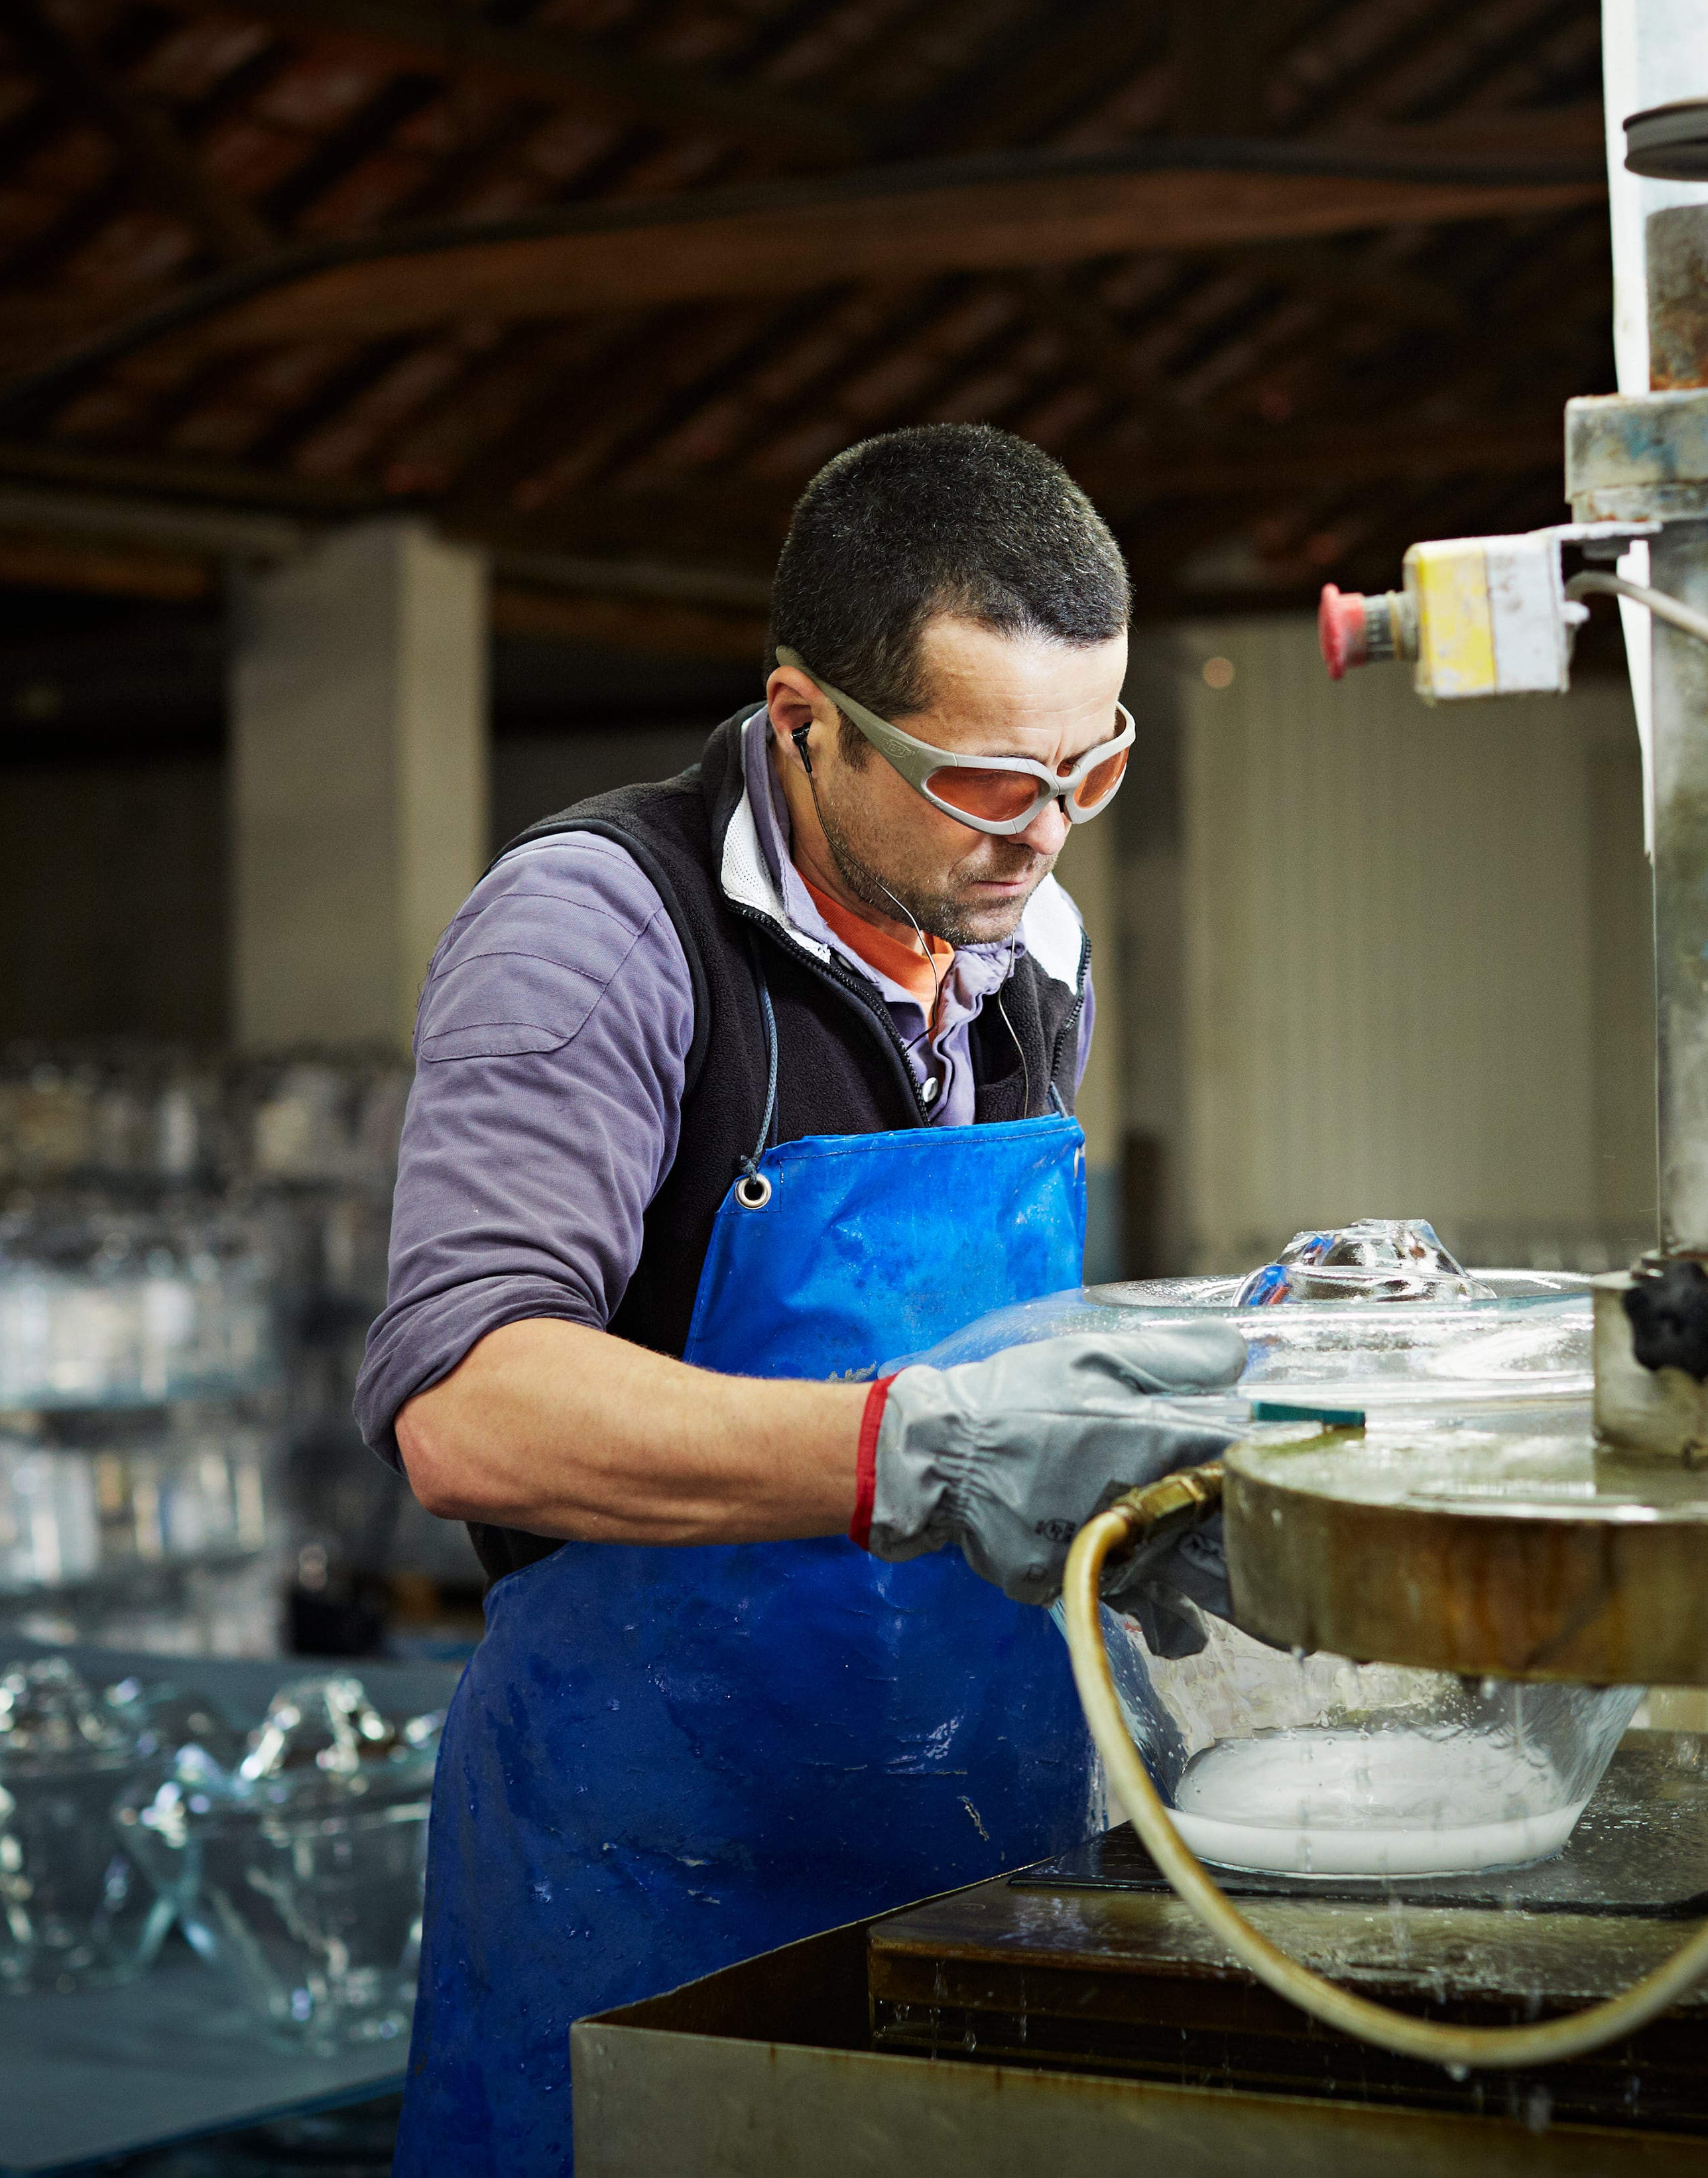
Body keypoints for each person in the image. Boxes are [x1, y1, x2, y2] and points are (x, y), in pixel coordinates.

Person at [358, 424, 1245, 2176]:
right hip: (647, 1869)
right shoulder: (603, 931)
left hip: (957, 1825)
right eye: (987, 781)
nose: (1045, 838)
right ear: (803, 721)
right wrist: (925, 1449)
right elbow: (468, 1409)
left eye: (1092, 769)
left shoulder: (1023, 945)